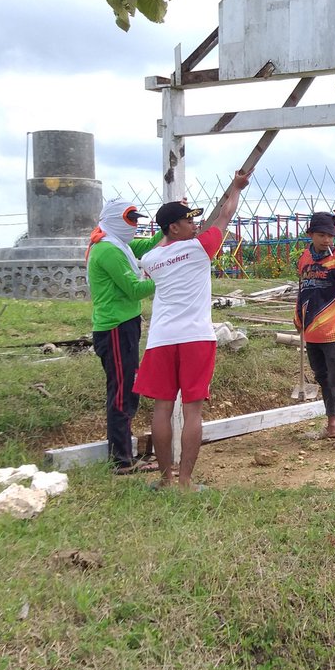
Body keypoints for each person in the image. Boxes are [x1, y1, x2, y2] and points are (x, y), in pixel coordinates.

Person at [133, 171, 251, 490]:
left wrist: (171, 219)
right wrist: (236, 188)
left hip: (161, 340)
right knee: (192, 410)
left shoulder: (151, 258)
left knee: (162, 408)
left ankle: (165, 479)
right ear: (175, 227)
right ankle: (185, 481)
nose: (195, 224)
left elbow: (161, 242)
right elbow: (226, 214)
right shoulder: (201, 249)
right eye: (188, 220)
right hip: (196, 338)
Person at [86, 199, 163, 474]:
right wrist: (170, 276)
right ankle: (120, 459)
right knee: (121, 393)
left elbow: (144, 247)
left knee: (127, 389)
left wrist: (165, 228)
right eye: (131, 220)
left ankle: (123, 455)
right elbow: (133, 289)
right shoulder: (108, 250)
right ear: (116, 219)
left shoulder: (117, 243)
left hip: (123, 326)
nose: (135, 225)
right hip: (115, 329)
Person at [295, 211, 335, 448]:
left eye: (330, 236)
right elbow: (302, 290)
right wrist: (297, 316)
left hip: (334, 329)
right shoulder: (304, 260)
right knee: (322, 377)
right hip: (311, 330)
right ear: (310, 234)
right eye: (321, 235)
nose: (326, 240)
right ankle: (331, 423)